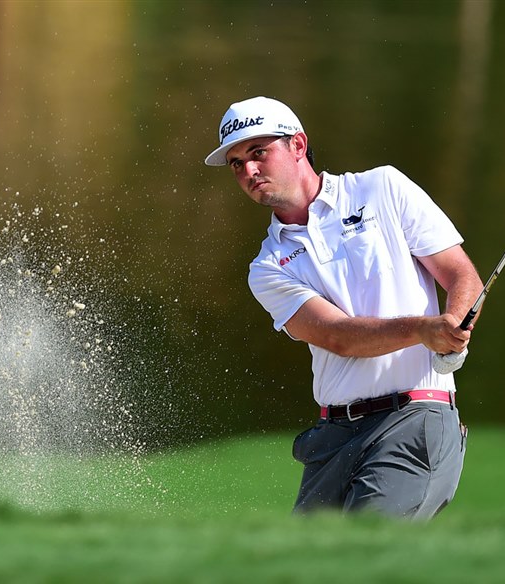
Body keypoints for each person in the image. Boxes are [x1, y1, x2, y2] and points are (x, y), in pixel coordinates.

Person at [205, 96, 484, 520]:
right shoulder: (266, 267)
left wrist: (454, 326)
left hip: (413, 419)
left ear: (298, 145)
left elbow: (461, 277)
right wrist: (423, 328)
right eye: (236, 163)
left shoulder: (382, 188)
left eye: (258, 153)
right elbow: (339, 336)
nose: (248, 171)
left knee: (362, 553)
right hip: (333, 436)